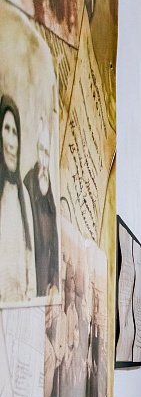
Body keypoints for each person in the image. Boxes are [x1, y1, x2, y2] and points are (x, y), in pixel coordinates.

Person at [0, 96, 35, 303]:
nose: (12, 142)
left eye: (15, 132)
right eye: (7, 129)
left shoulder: (24, 197)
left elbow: (30, 271)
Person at [24, 116, 57, 297]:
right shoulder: (28, 181)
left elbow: (55, 236)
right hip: (34, 269)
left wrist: (54, 278)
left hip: (47, 274)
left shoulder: (49, 187)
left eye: (47, 153)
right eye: (41, 150)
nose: (43, 159)